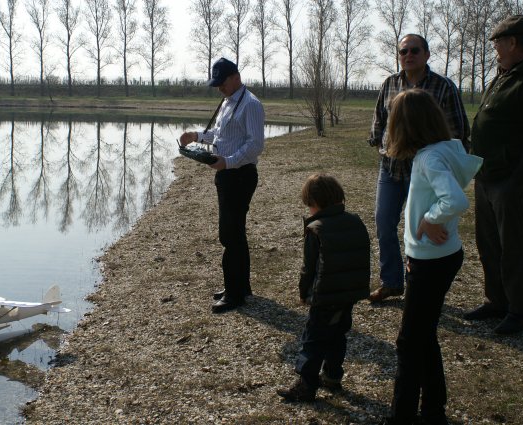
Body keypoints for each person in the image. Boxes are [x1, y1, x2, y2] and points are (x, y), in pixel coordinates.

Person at [379, 89, 482, 425]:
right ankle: (433, 410)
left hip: (432, 261)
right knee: (424, 334)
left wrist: (428, 219)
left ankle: (402, 416)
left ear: (406, 125)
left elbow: (454, 200)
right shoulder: (445, 148)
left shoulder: (428, 158)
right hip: (436, 256)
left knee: (409, 342)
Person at [368, 34, 470, 303]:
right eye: (403, 51)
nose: (408, 55)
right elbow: (379, 120)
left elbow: (458, 130)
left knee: (422, 228)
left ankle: (423, 282)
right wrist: (379, 143)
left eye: (414, 50)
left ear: (426, 54)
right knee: (384, 222)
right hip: (390, 168)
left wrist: (435, 156)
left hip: (423, 170)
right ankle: (391, 281)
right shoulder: (389, 84)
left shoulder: (443, 86)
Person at [464, 15, 523, 335]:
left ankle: (518, 310)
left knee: (512, 245)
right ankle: (496, 301)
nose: (494, 47)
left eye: (497, 41)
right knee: (489, 242)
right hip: (487, 174)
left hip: (511, 179)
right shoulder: (505, 74)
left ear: (513, 42)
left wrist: (517, 182)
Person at [179, 57, 265, 314]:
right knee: (235, 232)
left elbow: (255, 145)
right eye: (216, 84)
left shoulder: (250, 104)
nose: (219, 88)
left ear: (235, 77)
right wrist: (196, 136)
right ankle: (241, 286)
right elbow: (220, 135)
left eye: (222, 83)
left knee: (230, 235)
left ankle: (234, 294)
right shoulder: (228, 102)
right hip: (226, 174)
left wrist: (228, 162)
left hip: (240, 175)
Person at [277, 174, 370, 402]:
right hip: (349, 293)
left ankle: (306, 385)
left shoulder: (316, 229)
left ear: (314, 204)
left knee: (313, 340)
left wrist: (304, 293)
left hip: (325, 297)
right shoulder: (355, 221)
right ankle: (333, 376)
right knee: (338, 334)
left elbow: (308, 268)